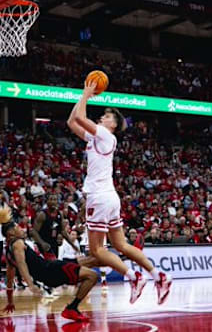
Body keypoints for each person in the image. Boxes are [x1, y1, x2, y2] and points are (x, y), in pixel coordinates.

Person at [67, 80, 171, 305]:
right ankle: (158, 275)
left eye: (106, 117)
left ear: (112, 124)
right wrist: (82, 98)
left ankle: (134, 277)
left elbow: (79, 119)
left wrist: (85, 94)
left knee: (96, 250)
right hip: (109, 196)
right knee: (122, 245)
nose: (102, 118)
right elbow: (71, 121)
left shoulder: (105, 135)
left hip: (99, 197)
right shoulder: (97, 137)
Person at [0, 206, 99, 323]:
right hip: (51, 270)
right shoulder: (18, 243)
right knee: (92, 276)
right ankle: (72, 308)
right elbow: (22, 264)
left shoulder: (8, 254)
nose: (22, 229)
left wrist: (10, 302)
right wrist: (30, 284)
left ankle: (73, 306)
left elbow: (9, 282)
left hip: (49, 274)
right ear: (10, 232)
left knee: (92, 262)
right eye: (18, 227)